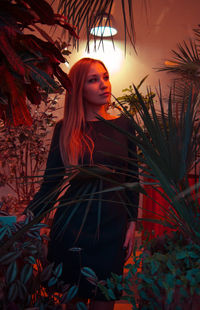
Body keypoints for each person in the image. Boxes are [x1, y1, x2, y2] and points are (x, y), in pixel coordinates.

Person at [26, 58, 139, 310]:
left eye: (105, 77)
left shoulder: (124, 126)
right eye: (93, 80)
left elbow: (132, 179)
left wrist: (132, 222)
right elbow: (50, 184)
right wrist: (27, 218)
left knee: (105, 299)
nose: (103, 84)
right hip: (72, 226)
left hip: (112, 228)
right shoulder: (65, 129)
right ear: (78, 88)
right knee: (73, 301)